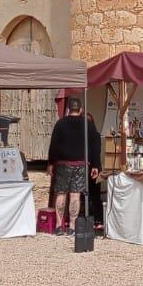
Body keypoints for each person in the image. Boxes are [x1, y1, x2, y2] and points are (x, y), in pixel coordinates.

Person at [46, 96, 101, 234]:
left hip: (63, 164)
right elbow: (95, 145)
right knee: (75, 195)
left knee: (61, 193)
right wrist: (95, 165)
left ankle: (59, 226)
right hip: (81, 164)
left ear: (68, 109)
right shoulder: (88, 124)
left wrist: (51, 163)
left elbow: (54, 145)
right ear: (81, 109)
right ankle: (72, 227)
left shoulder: (60, 123)